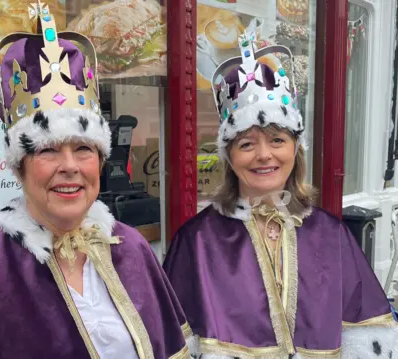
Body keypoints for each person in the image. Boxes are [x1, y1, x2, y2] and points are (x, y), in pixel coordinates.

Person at [0, 2, 190, 358]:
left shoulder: (132, 249)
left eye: (83, 149)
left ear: (101, 161)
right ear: (20, 166)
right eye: (48, 151)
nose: (69, 166)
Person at [163, 29, 398, 358]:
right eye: (246, 144)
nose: (264, 155)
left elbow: (368, 337)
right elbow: (171, 341)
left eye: (277, 140)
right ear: (230, 157)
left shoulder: (332, 236)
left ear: (295, 149)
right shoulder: (198, 241)